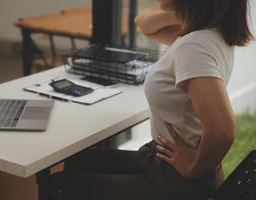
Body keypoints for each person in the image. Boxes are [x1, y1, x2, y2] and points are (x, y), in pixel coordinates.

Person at [55, 0, 254, 200]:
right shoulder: (208, 33)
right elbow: (143, 23)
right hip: (162, 162)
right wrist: (186, 12)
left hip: (175, 180)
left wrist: (194, 168)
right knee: (78, 163)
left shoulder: (194, 47)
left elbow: (223, 129)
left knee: (68, 184)